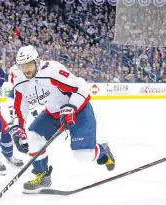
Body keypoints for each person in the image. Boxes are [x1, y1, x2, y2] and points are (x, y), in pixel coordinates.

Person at [9, 45, 116, 193]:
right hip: (53, 114)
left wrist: (71, 107)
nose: (26, 69)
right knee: (35, 141)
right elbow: (21, 105)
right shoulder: (18, 78)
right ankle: (43, 176)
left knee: (83, 156)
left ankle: (103, 151)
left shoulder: (52, 71)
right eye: (22, 65)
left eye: (29, 64)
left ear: (37, 61)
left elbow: (81, 87)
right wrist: (18, 127)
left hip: (79, 110)